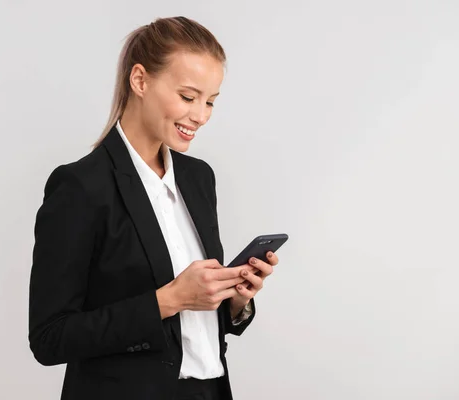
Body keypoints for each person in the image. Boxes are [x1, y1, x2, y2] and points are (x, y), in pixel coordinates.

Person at [28, 16, 280, 400]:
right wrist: (171, 298)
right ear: (140, 80)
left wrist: (235, 301)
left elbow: (194, 331)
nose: (201, 115)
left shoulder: (198, 178)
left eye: (210, 101)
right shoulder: (81, 186)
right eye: (188, 96)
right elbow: (50, 338)